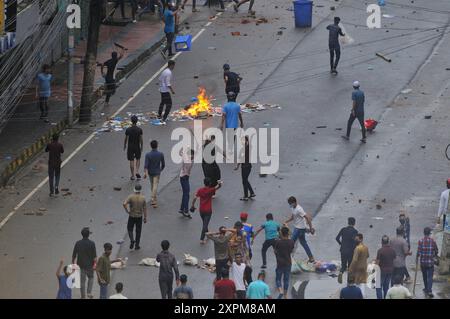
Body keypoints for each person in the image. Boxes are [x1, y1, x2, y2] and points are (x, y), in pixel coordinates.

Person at [283, 196, 315, 263]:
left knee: (291, 243)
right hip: (298, 227)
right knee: (303, 243)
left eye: (290, 203)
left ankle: (287, 258)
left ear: (294, 202)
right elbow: (293, 217)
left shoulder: (299, 209)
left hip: (299, 228)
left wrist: (311, 228)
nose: (290, 205)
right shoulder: (293, 208)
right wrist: (287, 221)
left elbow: (307, 218)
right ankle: (311, 258)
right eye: (289, 204)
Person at [191, 178, 223, 244]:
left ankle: (208, 234)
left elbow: (195, 197)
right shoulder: (211, 190)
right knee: (205, 225)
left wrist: (192, 205)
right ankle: (201, 239)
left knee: (205, 223)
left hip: (201, 210)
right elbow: (219, 186)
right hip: (208, 210)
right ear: (210, 183)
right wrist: (219, 182)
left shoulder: (200, 190)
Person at [72, 227, 97, 299]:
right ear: (88, 234)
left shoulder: (78, 243)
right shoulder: (92, 243)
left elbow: (74, 255)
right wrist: (95, 264)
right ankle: (89, 292)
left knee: (82, 282)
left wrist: (73, 265)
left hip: (81, 266)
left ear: (81, 234)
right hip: (90, 265)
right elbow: (95, 257)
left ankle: (83, 297)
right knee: (91, 278)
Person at [123, 184, 147, 250]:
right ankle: (137, 245)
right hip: (139, 216)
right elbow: (145, 208)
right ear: (140, 190)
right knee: (138, 231)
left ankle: (132, 240)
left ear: (134, 189)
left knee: (129, 228)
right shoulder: (143, 198)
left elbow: (124, 204)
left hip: (132, 215)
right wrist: (145, 217)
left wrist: (127, 211)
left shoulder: (131, 197)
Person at [416, 227, 438, 298]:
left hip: (423, 263)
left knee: (425, 276)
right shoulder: (433, 241)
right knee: (430, 277)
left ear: (424, 233)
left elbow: (418, 252)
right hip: (430, 262)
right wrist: (434, 255)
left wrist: (417, 258)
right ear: (429, 233)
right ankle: (429, 290)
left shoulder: (420, 241)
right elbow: (436, 250)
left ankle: (426, 288)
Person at [335, 217, 358, 284]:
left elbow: (337, 238)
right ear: (354, 223)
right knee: (350, 267)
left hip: (343, 250)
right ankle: (349, 282)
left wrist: (341, 244)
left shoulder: (343, 229)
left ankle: (341, 272)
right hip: (350, 251)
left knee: (343, 266)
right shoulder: (355, 231)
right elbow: (356, 241)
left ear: (348, 222)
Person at [274, 227, 295, 299]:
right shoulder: (291, 242)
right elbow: (291, 250)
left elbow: (275, 251)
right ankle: (285, 295)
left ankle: (280, 290)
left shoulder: (278, 242)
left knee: (278, 279)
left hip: (280, 263)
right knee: (286, 279)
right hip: (288, 263)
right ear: (288, 233)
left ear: (281, 233)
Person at [221, 92, 244, 156]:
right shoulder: (237, 106)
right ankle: (230, 148)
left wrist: (221, 124)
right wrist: (242, 123)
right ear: (234, 97)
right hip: (234, 125)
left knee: (229, 137)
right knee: (232, 137)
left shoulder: (225, 106)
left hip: (228, 125)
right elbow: (239, 115)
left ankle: (230, 149)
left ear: (228, 97)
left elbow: (223, 116)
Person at [144, 140, 165, 208]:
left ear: (151, 146)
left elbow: (146, 166)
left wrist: (146, 173)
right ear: (157, 145)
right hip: (157, 172)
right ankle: (153, 199)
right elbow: (163, 164)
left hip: (150, 172)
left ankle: (154, 199)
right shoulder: (160, 154)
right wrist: (160, 170)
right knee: (155, 185)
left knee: (152, 185)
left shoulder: (148, 155)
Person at [235, 136, 255, 201]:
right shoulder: (248, 147)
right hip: (248, 167)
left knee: (244, 181)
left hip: (245, 167)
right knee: (245, 180)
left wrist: (237, 166)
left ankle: (246, 196)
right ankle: (251, 193)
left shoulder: (245, 148)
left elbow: (241, 159)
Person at [348, 233, 369, 297]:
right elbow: (368, 256)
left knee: (356, 283)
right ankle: (363, 296)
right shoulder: (366, 247)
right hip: (364, 267)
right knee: (362, 283)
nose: (355, 240)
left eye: (357, 239)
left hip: (357, 268)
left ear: (361, 239)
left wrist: (350, 268)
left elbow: (354, 260)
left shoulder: (357, 248)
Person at [124, 115, 143, 180]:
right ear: (137, 121)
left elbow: (126, 139)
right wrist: (142, 146)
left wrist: (125, 145)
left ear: (131, 121)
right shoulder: (139, 130)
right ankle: (137, 171)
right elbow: (141, 139)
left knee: (131, 160)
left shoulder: (128, 130)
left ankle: (132, 175)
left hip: (130, 146)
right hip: (137, 146)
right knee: (138, 158)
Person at [179, 148, 195, 218]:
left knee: (185, 194)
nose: (193, 156)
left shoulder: (186, 159)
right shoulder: (189, 162)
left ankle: (182, 209)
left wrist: (183, 149)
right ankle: (186, 210)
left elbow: (181, 153)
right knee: (186, 194)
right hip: (184, 177)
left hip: (183, 176)